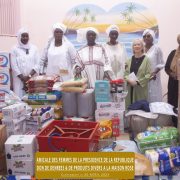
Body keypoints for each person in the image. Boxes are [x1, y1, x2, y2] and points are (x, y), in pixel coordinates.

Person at [11, 28, 40, 98]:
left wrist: (29, 76)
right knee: (19, 98)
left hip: (32, 78)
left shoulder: (34, 48)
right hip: (19, 80)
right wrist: (23, 78)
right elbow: (14, 65)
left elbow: (38, 64)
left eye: (26, 36)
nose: (25, 38)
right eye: (23, 36)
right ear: (19, 37)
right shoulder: (14, 49)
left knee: (33, 99)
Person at [124, 39, 151, 109]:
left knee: (140, 109)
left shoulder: (147, 60)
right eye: (134, 45)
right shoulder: (129, 60)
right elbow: (125, 74)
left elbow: (148, 75)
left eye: (138, 44)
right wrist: (129, 80)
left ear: (142, 47)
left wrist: (137, 82)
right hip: (130, 89)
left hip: (140, 89)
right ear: (132, 48)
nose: (136, 46)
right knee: (129, 109)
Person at [142, 29, 164, 102]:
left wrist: (154, 72)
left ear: (153, 37)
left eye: (148, 36)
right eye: (144, 36)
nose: (146, 38)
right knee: (144, 97)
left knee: (154, 95)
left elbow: (161, 63)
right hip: (143, 77)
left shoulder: (157, 48)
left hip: (154, 77)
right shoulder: (141, 49)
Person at [165, 34, 180, 127]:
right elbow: (166, 67)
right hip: (173, 84)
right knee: (173, 105)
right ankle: (175, 126)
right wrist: (172, 74)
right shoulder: (173, 53)